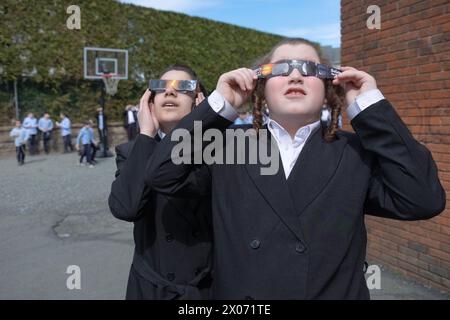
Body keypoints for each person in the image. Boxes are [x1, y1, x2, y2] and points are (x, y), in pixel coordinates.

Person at [146, 38, 446, 299]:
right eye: (280, 68)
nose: (295, 75)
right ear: (259, 88)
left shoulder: (355, 151)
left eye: (309, 69)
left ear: (330, 86)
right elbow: (161, 174)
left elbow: (422, 199)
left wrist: (368, 107)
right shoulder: (227, 145)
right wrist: (218, 106)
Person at [108, 65, 212, 300]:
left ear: (198, 100)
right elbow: (126, 208)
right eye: (160, 86)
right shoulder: (132, 151)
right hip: (152, 289)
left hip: (208, 286)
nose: (170, 92)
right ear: (149, 102)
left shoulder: (221, 151)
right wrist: (145, 133)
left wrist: (202, 121)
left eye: (184, 86)